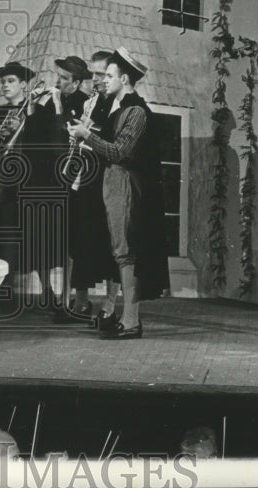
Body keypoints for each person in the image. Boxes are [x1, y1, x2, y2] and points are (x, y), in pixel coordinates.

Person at [67, 48, 170, 339]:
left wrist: (88, 136)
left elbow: (120, 151)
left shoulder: (135, 111)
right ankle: (125, 318)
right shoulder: (120, 109)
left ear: (124, 78)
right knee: (120, 252)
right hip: (113, 183)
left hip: (126, 185)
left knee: (127, 253)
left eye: (109, 75)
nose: (104, 80)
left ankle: (131, 321)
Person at [54, 50, 119, 325]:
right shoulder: (92, 103)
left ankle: (111, 304)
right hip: (85, 178)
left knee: (111, 245)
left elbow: (115, 144)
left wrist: (87, 134)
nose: (97, 80)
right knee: (79, 241)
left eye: (103, 74)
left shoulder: (120, 105)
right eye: (94, 75)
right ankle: (81, 302)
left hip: (109, 179)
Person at [0, 61, 59, 310]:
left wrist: (26, 125)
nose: (5, 86)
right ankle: (4, 293)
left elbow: (45, 145)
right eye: (3, 81)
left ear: (23, 85)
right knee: (6, 238)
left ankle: (48, 291)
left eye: (11, 82)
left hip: (29, 183)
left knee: (36, 237)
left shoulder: (35, 113)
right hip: (6, 185)